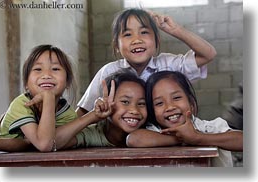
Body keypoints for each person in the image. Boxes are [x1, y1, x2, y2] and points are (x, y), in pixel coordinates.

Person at [76, 8, 217, 117]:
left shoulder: (168, 64)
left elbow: (208, 54)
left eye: (144, 32)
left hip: (164, 137)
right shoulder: (109, 71)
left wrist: (175, 30)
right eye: (127, 34)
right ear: (116, 46)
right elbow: (83, 110)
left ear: (157, 41)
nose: (137, 40)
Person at [126, 71, 243, 167]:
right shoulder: (154, 131)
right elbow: (133, 139)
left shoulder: (207, 128)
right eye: (159, 103)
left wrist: (199, 137)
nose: (170, 107)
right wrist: (185, 138)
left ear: (191, 103)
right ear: (152, 110)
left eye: (176, 98)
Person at [0, 44, 78, 152]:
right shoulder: (22, 104)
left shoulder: (67, 113)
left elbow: (52, 143)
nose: (46, 75)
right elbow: (44, 144)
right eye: (38, 69)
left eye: (55, 69)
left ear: (67, 82)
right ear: (26, 83)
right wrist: (48, 96)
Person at [75, 71, 147, 147]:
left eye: (141, 103)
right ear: (106, 102)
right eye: (125, 102)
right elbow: (61, 140)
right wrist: (94, 115)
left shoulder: (151, 131)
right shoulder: (94, 134)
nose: (134, 110)